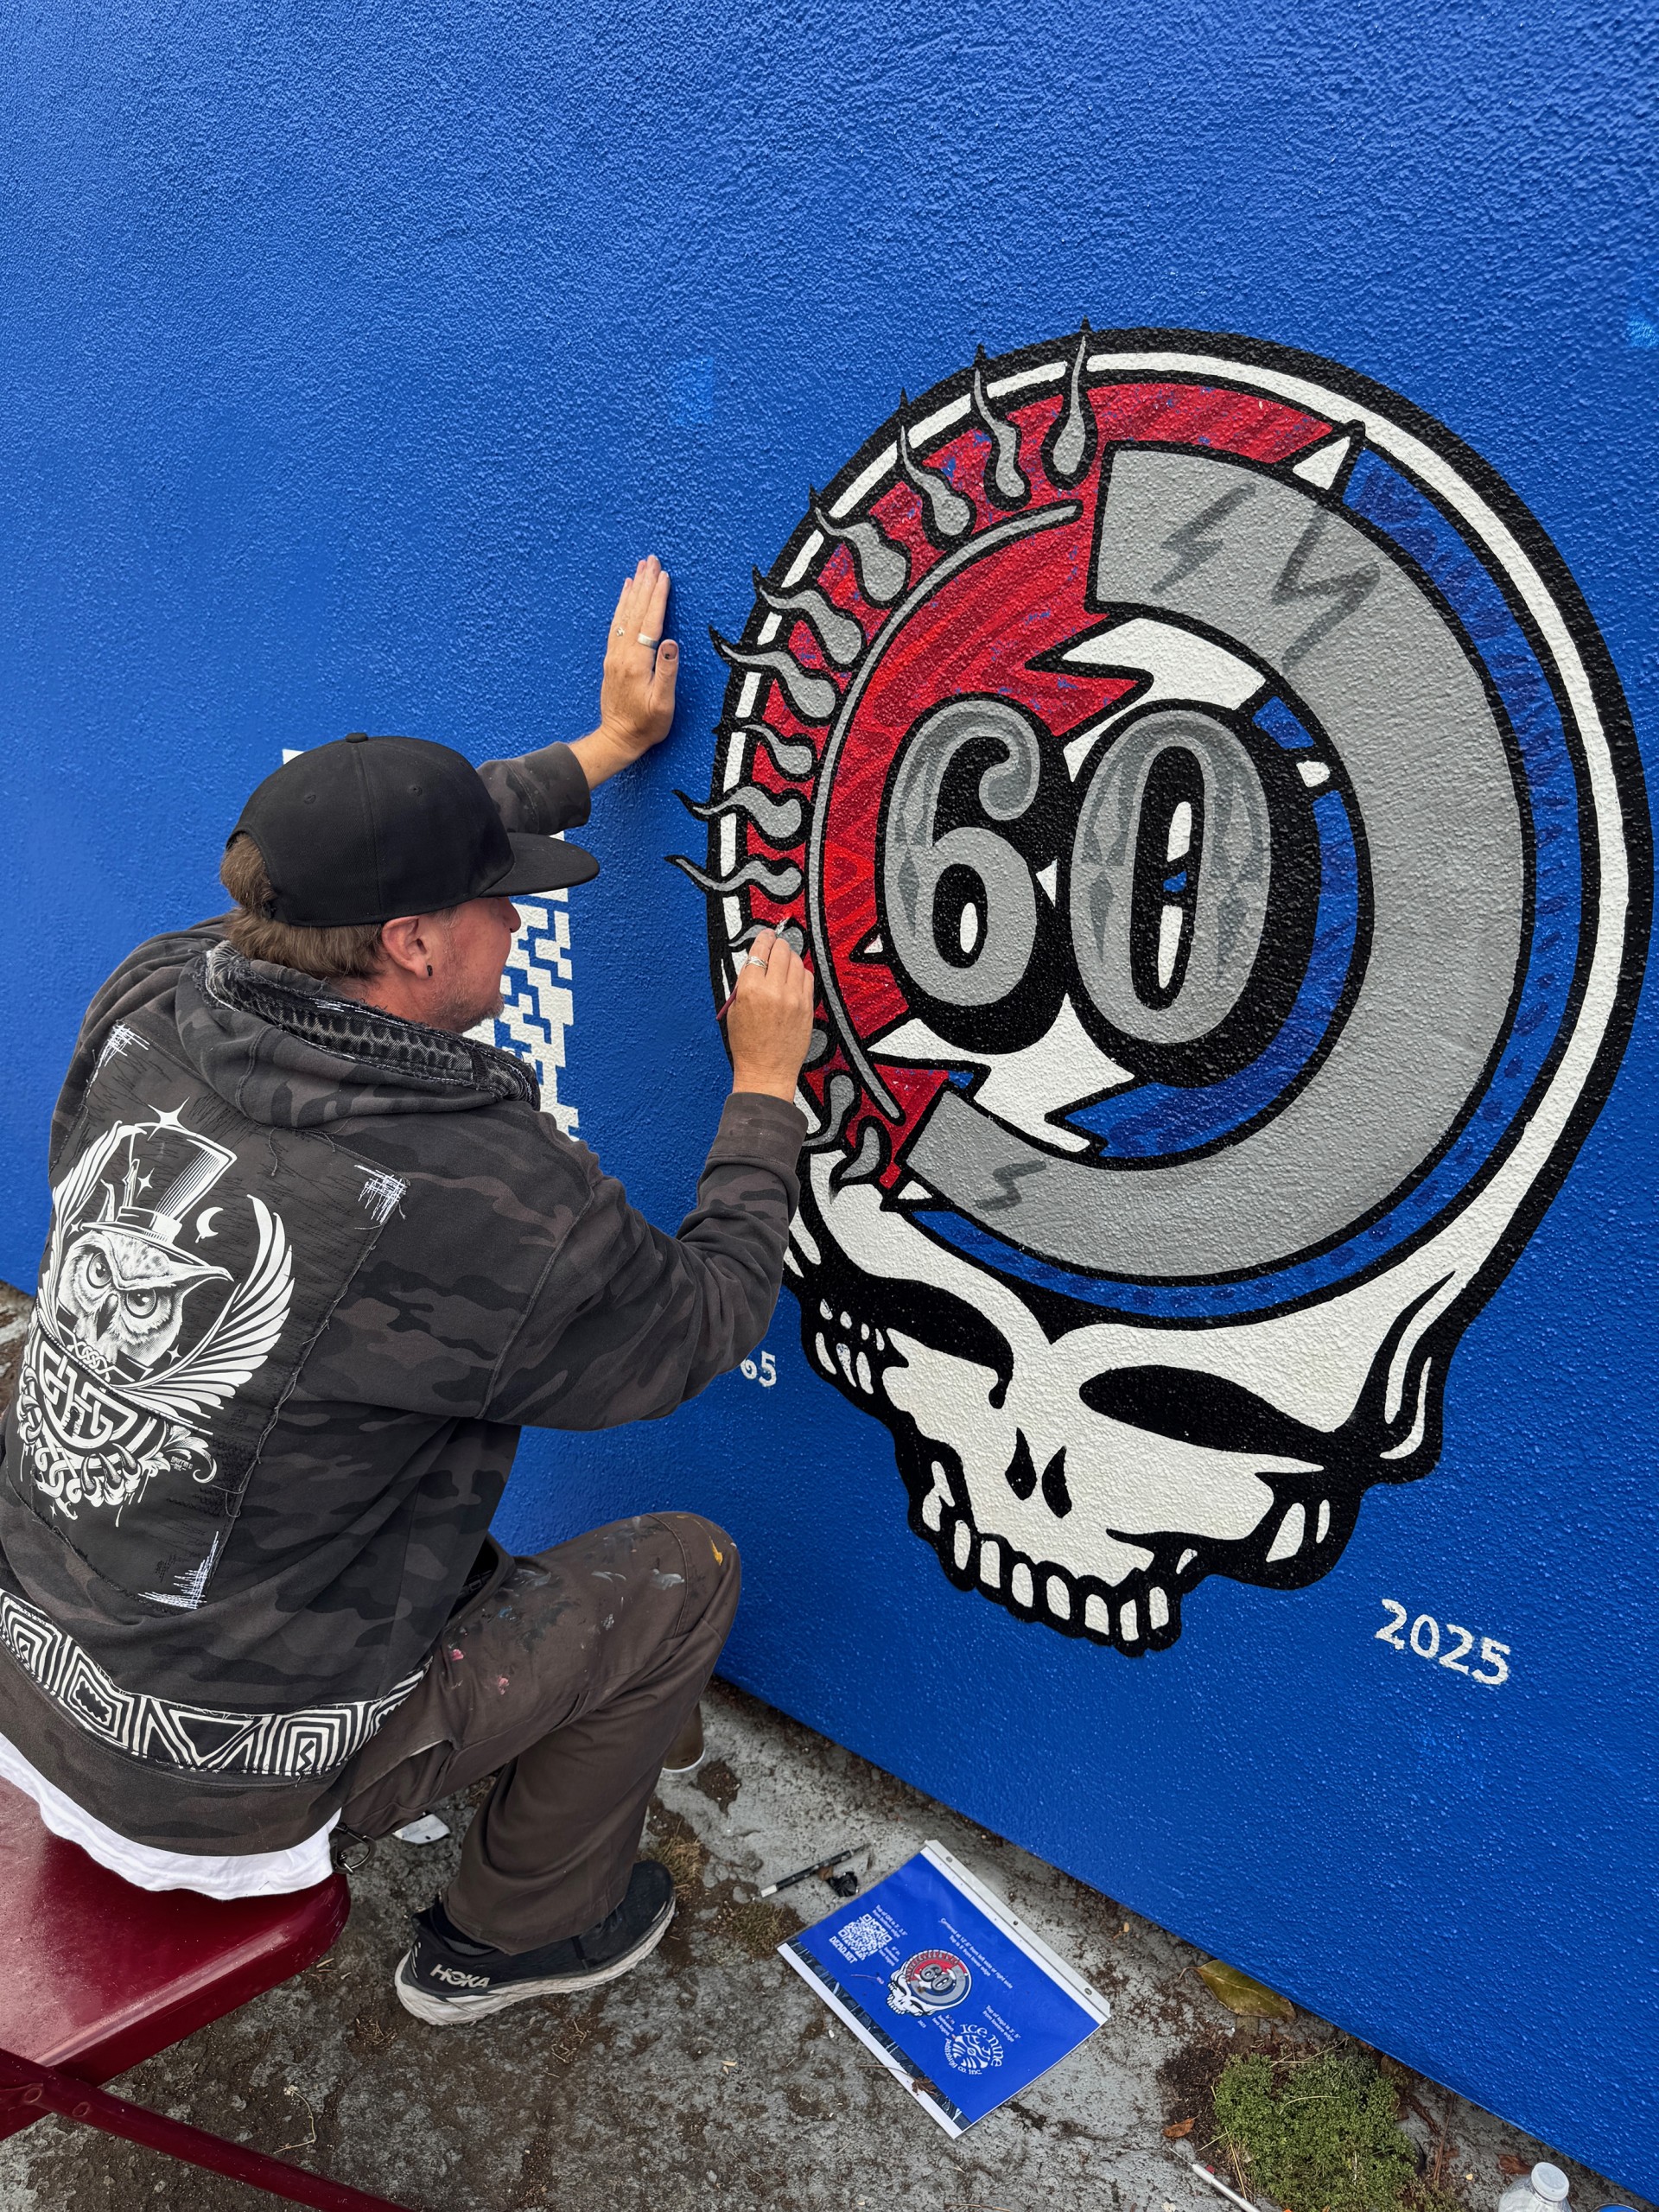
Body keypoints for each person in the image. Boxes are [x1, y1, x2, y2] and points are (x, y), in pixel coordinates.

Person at [0, 556, 815, 2025]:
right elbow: (700, 1320)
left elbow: (334, 864)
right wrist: (764, 1090)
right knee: (679, 1576)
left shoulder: (164, 989)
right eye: (502, 904)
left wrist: (599, 753)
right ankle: (512, 1937)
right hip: (208, 1789)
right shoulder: (476, 1189)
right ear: (414, 945)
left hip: (34, 1665)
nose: (521, 924)